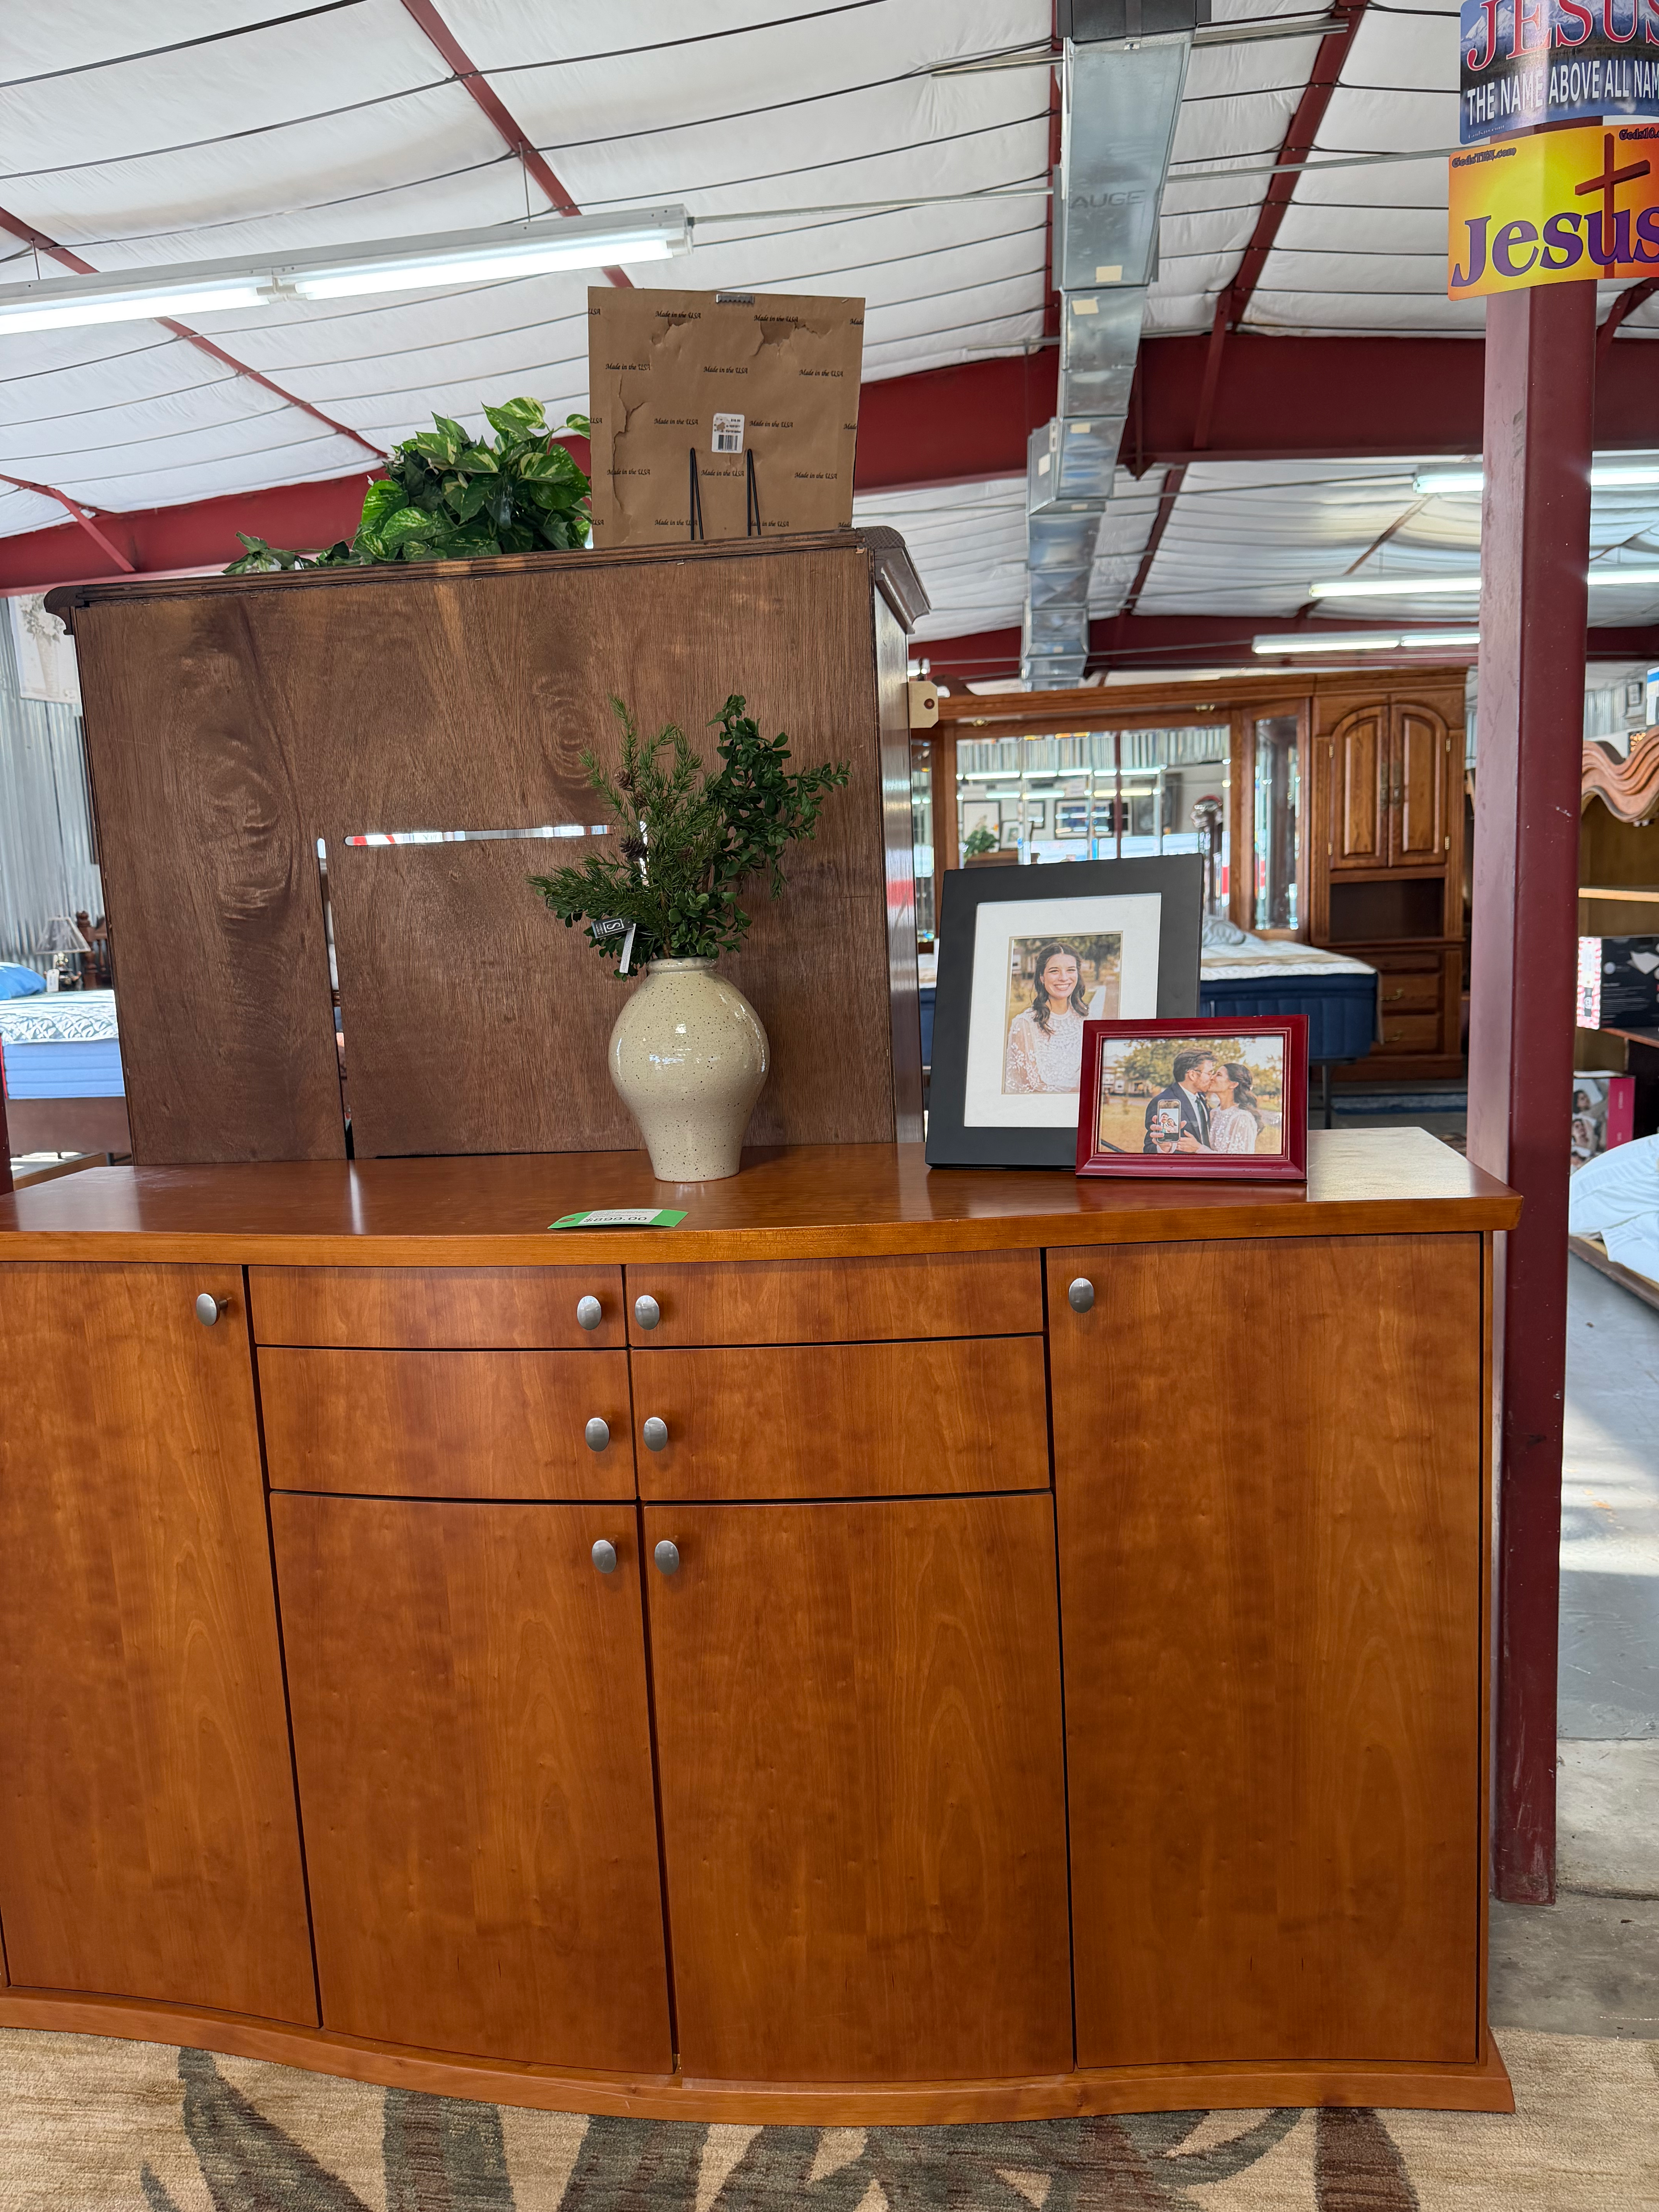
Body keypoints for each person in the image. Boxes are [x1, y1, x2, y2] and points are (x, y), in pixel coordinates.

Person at [1003, 942, 1091, 1094]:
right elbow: (1027, 1088)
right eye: (1054, 971)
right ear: (1042, 977)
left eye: (1071, 970)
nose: (1064, 978)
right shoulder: (1024, 1025)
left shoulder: (1089, 1022)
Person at [1143, 1047, 1217, 1152]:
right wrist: (1164, 1148)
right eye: (1209, 1073)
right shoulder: (1165, 1101)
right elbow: (1150, 1150)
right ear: (1193, 1075)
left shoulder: (1201, 1098)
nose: (1212, 1078)